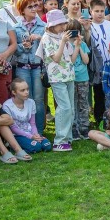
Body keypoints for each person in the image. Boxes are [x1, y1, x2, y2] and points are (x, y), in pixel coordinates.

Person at [36, 10, 78, 152]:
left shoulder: (62, 36)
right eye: (60, 24)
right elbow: (56, 58)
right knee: (64, 107)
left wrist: (77, 45)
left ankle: (67, 138)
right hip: (57, 78)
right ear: (52, 25)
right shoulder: (46, 38)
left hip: (69, 76)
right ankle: (59, 141)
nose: (63, 26)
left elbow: (71, 59)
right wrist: (63, 42)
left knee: (70, 108)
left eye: (63, 23)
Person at [13, 0, 46, 135]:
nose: (34, 8)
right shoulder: (16, 28)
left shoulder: (43, 26)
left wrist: (40, 39)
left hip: (37, 67)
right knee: (25, 98)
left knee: (38, 99)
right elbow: (13, 49)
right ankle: (26, 130)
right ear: (22, 10)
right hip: (22, 67)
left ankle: (39, 130)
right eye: (30, 6)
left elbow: (50, 47)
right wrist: (22, 46)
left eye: (35, 6)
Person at [89, 0, 110, 128]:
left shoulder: (109, 24)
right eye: (96, 11)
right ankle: (99, 117)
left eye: (102, 11)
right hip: (96, 65)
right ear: (91, 11)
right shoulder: (89, 26)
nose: (100, 14)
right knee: (98, 92)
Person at [2, 78, 51, 154]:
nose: (27, 92)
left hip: (30, 133)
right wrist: (30, 137)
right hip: (16, 135)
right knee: (37, 147)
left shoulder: (31, 102)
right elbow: (13, 128)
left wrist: (35, 134)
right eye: (22, 90)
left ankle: (29, 146)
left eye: (27, 89)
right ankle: (13, 148)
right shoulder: (7, 105)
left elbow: (32, 123)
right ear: (14, 92)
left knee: (47, 145)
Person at [66, 19, 90, 140]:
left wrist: (80, 45)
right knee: (73, 103)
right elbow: (72, 61)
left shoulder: (83, 44)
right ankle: (74, 127)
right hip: (71, 78)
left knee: (84, 103)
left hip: (83, 78)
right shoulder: (66, 45)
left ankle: (84, 127)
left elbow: (86, 61)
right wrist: (75, 47)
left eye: (77, 32)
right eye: (72, 32)